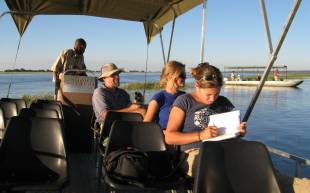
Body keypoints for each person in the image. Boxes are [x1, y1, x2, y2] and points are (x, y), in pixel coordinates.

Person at [165, 62, 247, 177]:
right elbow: (169, 137)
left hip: (226, 149)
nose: (212, 99)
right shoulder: (184, 101)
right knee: (219, 171)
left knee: (257, 162)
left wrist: (240, 131)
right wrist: (201, 135)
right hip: (196, 153)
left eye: (217, 93)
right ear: (197, 86)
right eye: (208, 94)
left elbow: (234, 131)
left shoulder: (224, 102)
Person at [144, 61, 186, 130]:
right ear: (170, 76)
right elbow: (145, 126)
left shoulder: (185, 96)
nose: (185, 78)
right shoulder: (159, 98)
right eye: (182, 75)